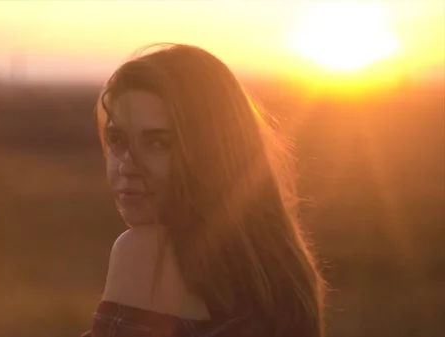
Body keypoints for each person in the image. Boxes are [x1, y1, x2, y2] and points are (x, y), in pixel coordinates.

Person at [82, 43, 326, 337]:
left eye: (159, 143)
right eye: (118, 140)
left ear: (213, 152)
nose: (127, 167)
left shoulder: (146, 252)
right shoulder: (280, 269)